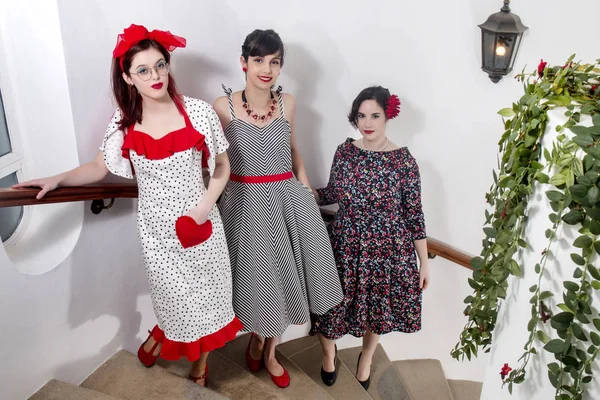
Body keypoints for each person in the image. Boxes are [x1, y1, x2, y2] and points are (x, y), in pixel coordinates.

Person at [13, 24, 243, 387]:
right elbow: (98, 167)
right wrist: (55, 180)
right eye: (143, 70)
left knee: (209, 299)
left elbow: (222, 168)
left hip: (201, 225)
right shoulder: (123, 127)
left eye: (160, 65)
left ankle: (200, 368)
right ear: (128, 77)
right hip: (158, 234)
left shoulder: (197, 112)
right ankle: (161, 334)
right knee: (174, 300)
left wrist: (201, 210)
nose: (155, 76)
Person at [212, 29, 344, 388]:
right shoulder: (222, 107)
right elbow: (218, 163)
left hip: (287, 199)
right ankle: (256, 338)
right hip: (244, 203)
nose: (266, 68)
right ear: (243, 63)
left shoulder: (288, 103)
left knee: (290, 281)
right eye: (258, 60)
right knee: (259, 283)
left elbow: (293, 146)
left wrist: (302, 181)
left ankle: (269, 352)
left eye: (274, 61)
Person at [310, 86, 429, 390]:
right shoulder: (345, 151)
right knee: (329, 305)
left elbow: (414, 213)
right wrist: (308, 193)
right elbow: (334, 193)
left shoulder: (404, 161)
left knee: (375, 309)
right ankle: (328, 354)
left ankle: (366, 358)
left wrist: (423, 263)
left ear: (388, 115)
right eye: (361, 115)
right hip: (345, 243)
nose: (367, 122)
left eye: (375, 115)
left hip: (385, 248)